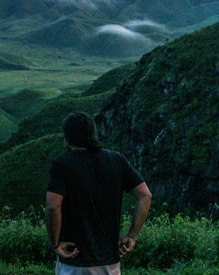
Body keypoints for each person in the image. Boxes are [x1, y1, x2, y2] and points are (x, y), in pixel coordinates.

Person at [45, 111, 152, 275]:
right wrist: (131, 236)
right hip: (110, 261)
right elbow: (145, 195)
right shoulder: (117, 159)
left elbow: (53, 206)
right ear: (93, 134)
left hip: (74, 259)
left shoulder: (62, 164)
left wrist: (54, 243)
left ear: (67, 138)